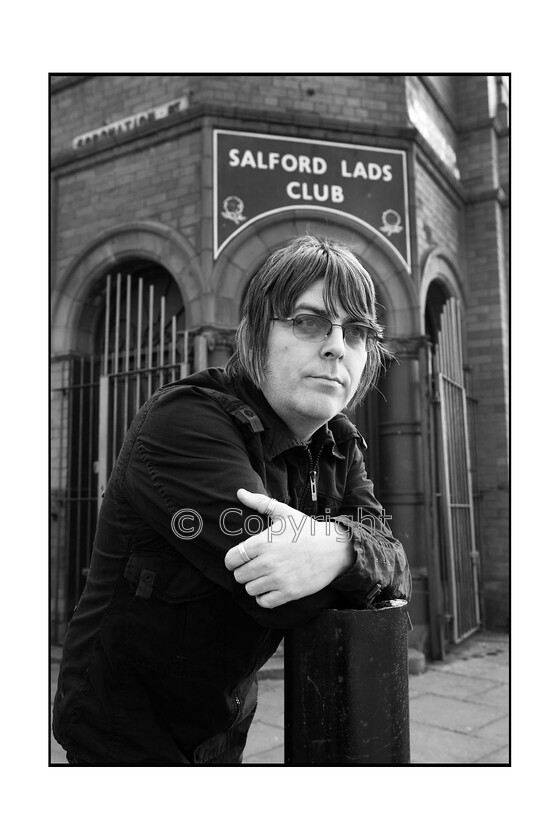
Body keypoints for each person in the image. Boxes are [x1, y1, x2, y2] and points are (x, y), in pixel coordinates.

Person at [52, 234, 411, 766]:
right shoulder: (185, 423)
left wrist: (334, 548)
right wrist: (356, 557)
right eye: (308, 322)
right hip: (123, 738)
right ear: (255, 334)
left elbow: (396, 565)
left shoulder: (337, 444)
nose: (337, 346)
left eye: (356, 331)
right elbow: (285, 593)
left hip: (223, 729)